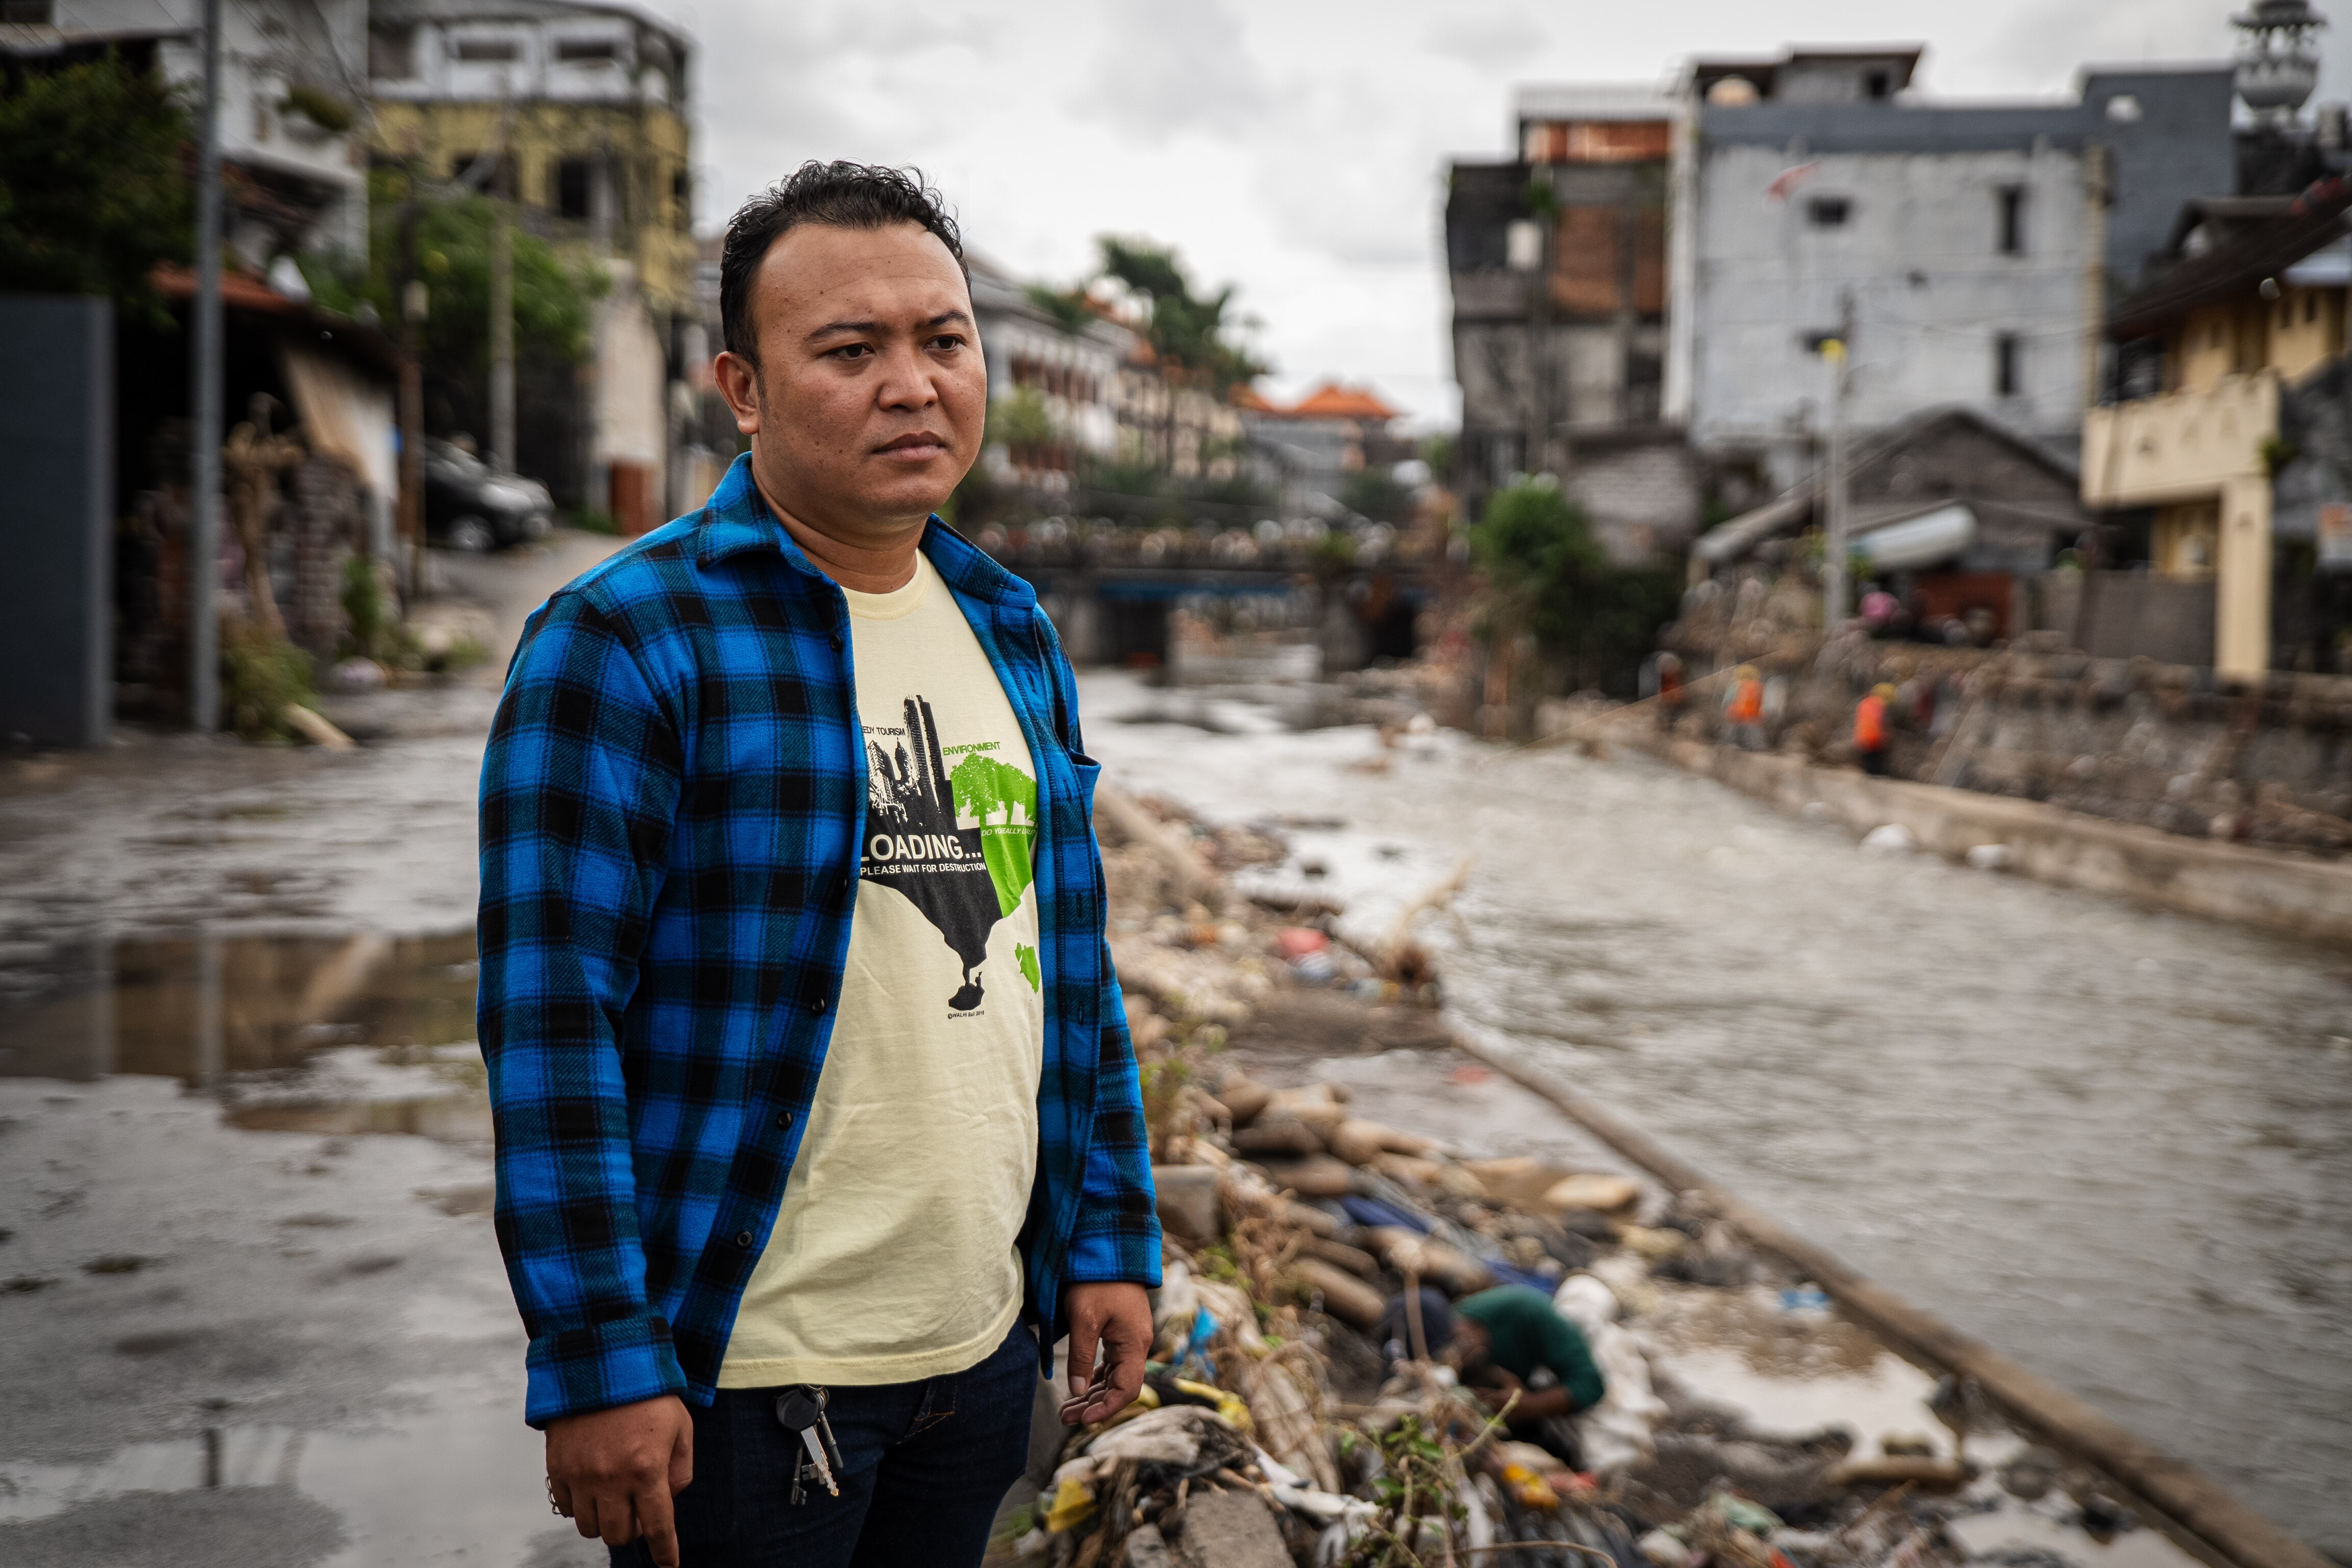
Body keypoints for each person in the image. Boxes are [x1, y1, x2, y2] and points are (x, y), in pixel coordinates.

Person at [476, 162, 1161, 1568]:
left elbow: (1070, 971)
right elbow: (551, 1023)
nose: (912, 385)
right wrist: (601, 1357)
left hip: (978, 1350)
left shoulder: (1009, 624)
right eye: (850, 351)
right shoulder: (624, 641)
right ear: (743, 386)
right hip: (750, 1368)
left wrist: (1111, 1235)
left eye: (943, 340)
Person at [1855, 681, 1895, 775]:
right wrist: (1888, 737)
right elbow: (1882, 722)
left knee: (1869, 765)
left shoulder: (1863, 704)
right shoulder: (1880, 704)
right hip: (1877, 739)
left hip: (1864, 738)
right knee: (1877, 765)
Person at [1724, 664, 1765, 751]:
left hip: (1738, 714)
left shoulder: (1736, 685)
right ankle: (1755, 747)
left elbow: (1729, 700)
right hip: (1751, 716)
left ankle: (1732, 744)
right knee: (1753, 733)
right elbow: (1761, 702)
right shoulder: (1757, 686)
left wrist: (1730, 710)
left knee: (1734, 731)